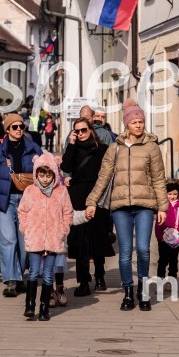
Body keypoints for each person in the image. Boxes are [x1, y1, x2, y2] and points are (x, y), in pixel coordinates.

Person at [85, 99, 168, 312]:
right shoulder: (115, 149)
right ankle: (128, 291)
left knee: (143, 248)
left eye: (141, 122)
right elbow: (103, 178)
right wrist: (92, 201)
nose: (138, 125)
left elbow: (159, 178)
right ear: (126, 124)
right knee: (125, 252)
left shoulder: (152, 147)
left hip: (144, 205)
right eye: (134, 122)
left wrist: (163, 207)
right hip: (120, 207)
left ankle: (143, 290)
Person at [0, 113, 43, 297]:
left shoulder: (34, 149)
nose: (18, 130)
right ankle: (11, 280)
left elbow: (45, 174)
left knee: (24, 243)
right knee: (8, 240)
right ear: (7, 129)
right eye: (14, 127)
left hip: (27, 202)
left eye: (21, 126)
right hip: (4, 201)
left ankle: (19, 276)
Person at [61, 117, 114, 296]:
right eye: (77, 131)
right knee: (79, 239)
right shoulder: (73, 149)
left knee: (97, 236)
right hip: (77, 196)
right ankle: (83, 280)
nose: (81, 134)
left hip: (97, 195)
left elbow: (108, 173)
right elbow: (66, 166)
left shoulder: (102, 149)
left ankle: (99, 276)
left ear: (91, 130)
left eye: (84, 130)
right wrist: (71, 144)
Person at [18, 153, 74, 321]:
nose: (45, 179)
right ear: (36, 174)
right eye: (41, 175)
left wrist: (63, 229)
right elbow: (22, 211)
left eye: (48, 175)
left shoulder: (61, 192)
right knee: (34, 272)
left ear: (54, 174)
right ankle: (29, 305)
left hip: (53, 238)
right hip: (35, 237)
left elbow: (68, 212)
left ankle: (44, 308)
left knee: (48, 274)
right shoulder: (30, 191)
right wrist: (25, 227)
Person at [155, 181, 179, 281]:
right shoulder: (163, 207)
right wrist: (159, 237)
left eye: (175, 194)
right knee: (162, 260)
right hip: (163, 239)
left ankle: (172, 280)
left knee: (173, 261)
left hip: (176, 239)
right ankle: (160, 280)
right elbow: (158, 223)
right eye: (169, 194)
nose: (172, 196)